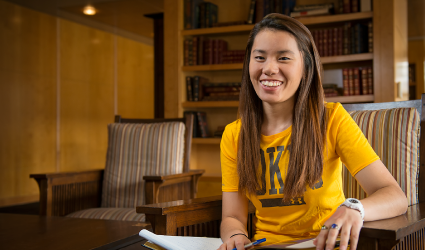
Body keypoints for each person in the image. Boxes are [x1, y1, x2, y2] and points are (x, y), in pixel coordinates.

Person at [218, 13, 408, 250]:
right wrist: (236, 235)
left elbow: (395, 196)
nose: (268, 68)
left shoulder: (332, 119)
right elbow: (232, 216)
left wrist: (355, 208)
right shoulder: (234, 135)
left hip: (326, 245)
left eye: (283, 57)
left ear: (306, 67)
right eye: (259, 57)